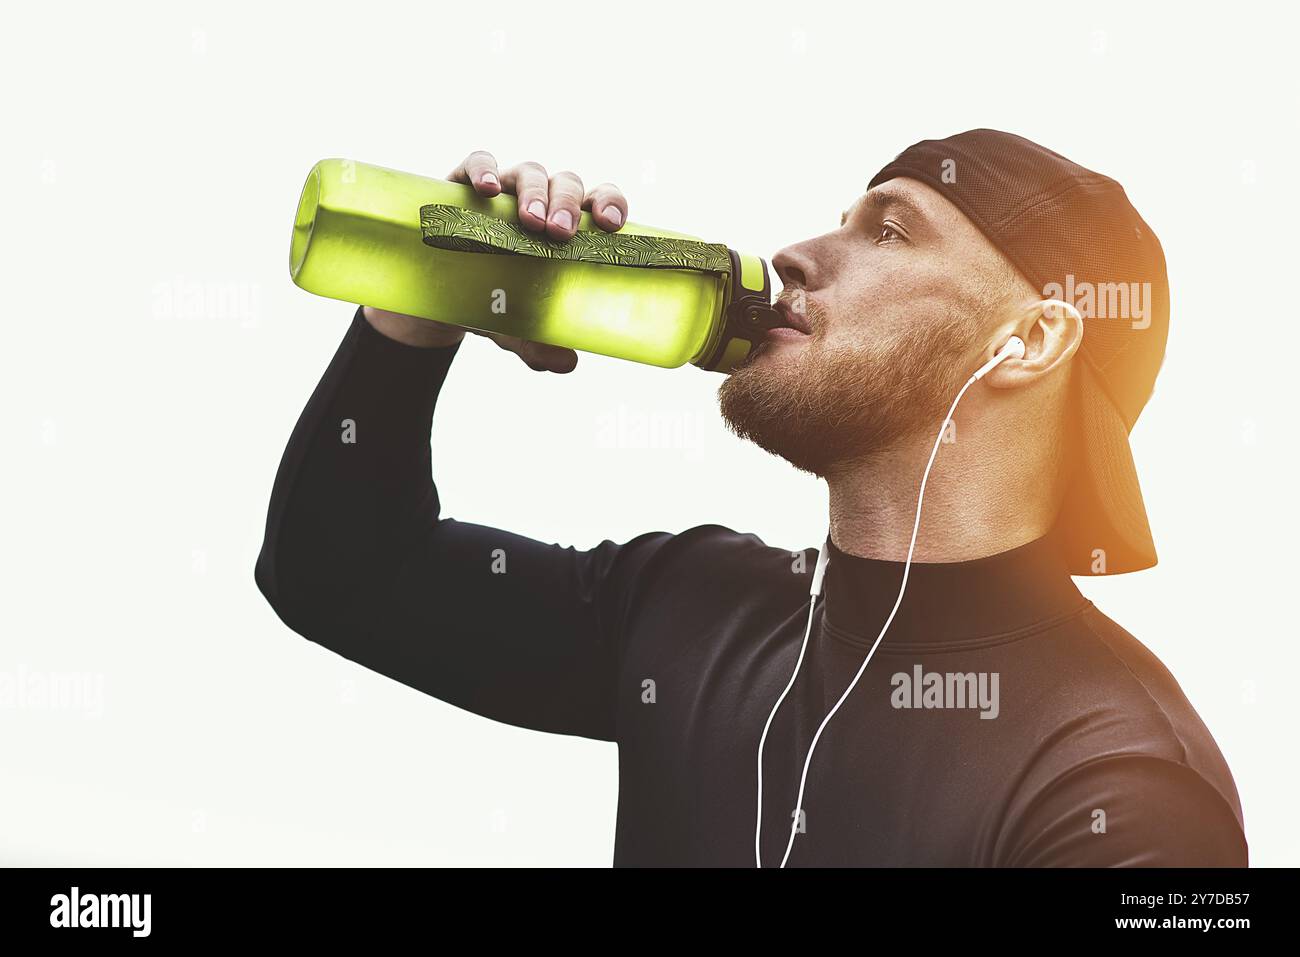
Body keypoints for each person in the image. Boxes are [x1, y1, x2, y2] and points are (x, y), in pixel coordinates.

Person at [255, 131, 1248, 867]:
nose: (797, 255)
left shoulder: (1123, 785)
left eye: (891, 231)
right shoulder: (692, 607)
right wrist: (424, 302)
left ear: (1028, 342)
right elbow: (335, 573)